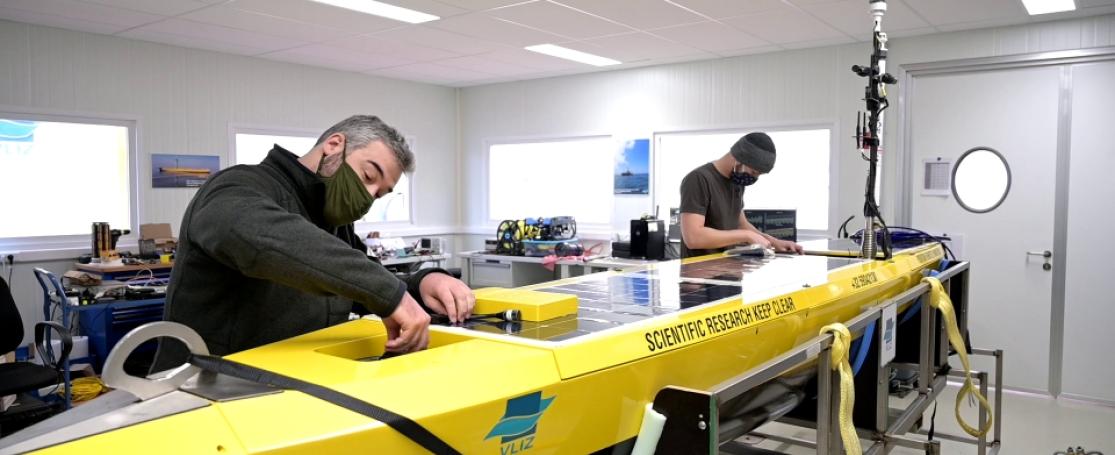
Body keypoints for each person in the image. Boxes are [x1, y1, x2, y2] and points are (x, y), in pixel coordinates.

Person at [152, 115, 473, 371]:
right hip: (208, 387)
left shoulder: (333, 221)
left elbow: (356, 281)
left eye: (380, 193)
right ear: (334, 145)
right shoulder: (237, 186)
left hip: (292, 383)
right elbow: (265, 238)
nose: (368, 196)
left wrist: (421, 283)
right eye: (368, 176)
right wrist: (389, 295)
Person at [678, 132, 804, 258]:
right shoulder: (698, 179)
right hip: (699, 272)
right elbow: (693, 237)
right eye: (754, 172)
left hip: (728, 269)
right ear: (739, 159)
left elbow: (741, 224)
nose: (754, 178)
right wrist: (746, 236)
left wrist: (774, 242)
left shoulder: (736, 182)